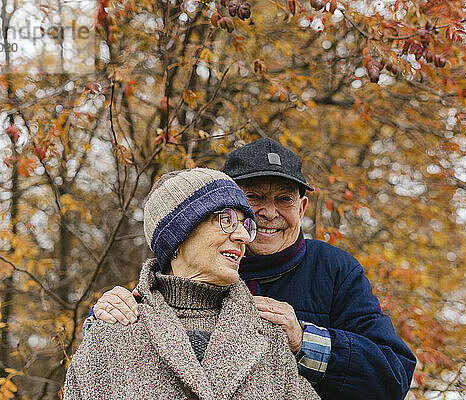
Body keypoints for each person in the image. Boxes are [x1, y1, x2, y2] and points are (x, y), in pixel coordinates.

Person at [87, 138, 417, 400]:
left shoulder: (335, 269)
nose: (268, 213)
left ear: (301, 208)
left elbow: (392, 379)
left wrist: (303, 341)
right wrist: (106, 316)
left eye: (284, 199)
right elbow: (127, 340)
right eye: (254, 197)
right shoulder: (198, 265)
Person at [64, 168, 320, 400]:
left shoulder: (269, 336)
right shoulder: (111, 335)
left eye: (245, 225)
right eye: (227, 220)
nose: (243, 236)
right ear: (179, 236)